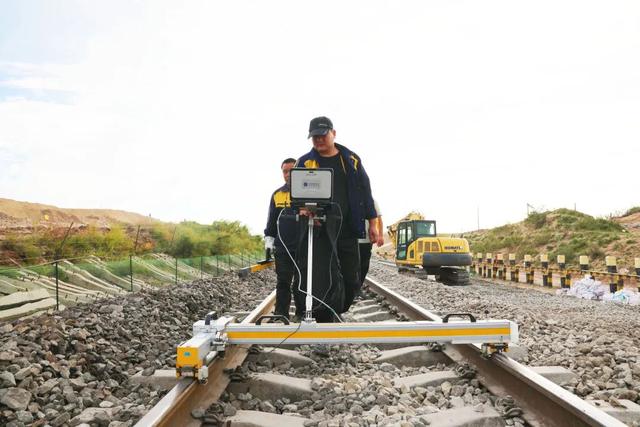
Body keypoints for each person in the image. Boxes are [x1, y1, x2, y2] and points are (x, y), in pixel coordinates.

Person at [296, 116, 381, 319]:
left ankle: (339, 308)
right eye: (314, 137)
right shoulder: (304, 162)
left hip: (348, 228)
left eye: (322, 135)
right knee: (324, 276)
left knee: (352, 278)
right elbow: (296, 195)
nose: (318, 140)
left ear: (333, 133)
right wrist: (302, 209)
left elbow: (365, 193)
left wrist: (373, 223)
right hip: (319, 230)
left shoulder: (351, 160)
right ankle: (325, 317)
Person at [264, 158, 303, 320]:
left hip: (303, 246)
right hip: (282, 247)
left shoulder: (307, 192)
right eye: (285, 171)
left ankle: (302, 314)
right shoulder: (277, 195)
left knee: (301, 283)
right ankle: (281, 314)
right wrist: (268, 243)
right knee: (283, 282)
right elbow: (271, 221)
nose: (288, 174)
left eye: (291, 170)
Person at [358, 199, 384, 287]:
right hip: (352, 239)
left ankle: (358, 287)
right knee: (352, 266)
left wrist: (380, 235)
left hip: (366, 240)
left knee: (364, 266)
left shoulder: (371, 201)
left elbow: (379, 219)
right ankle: (353, 289)